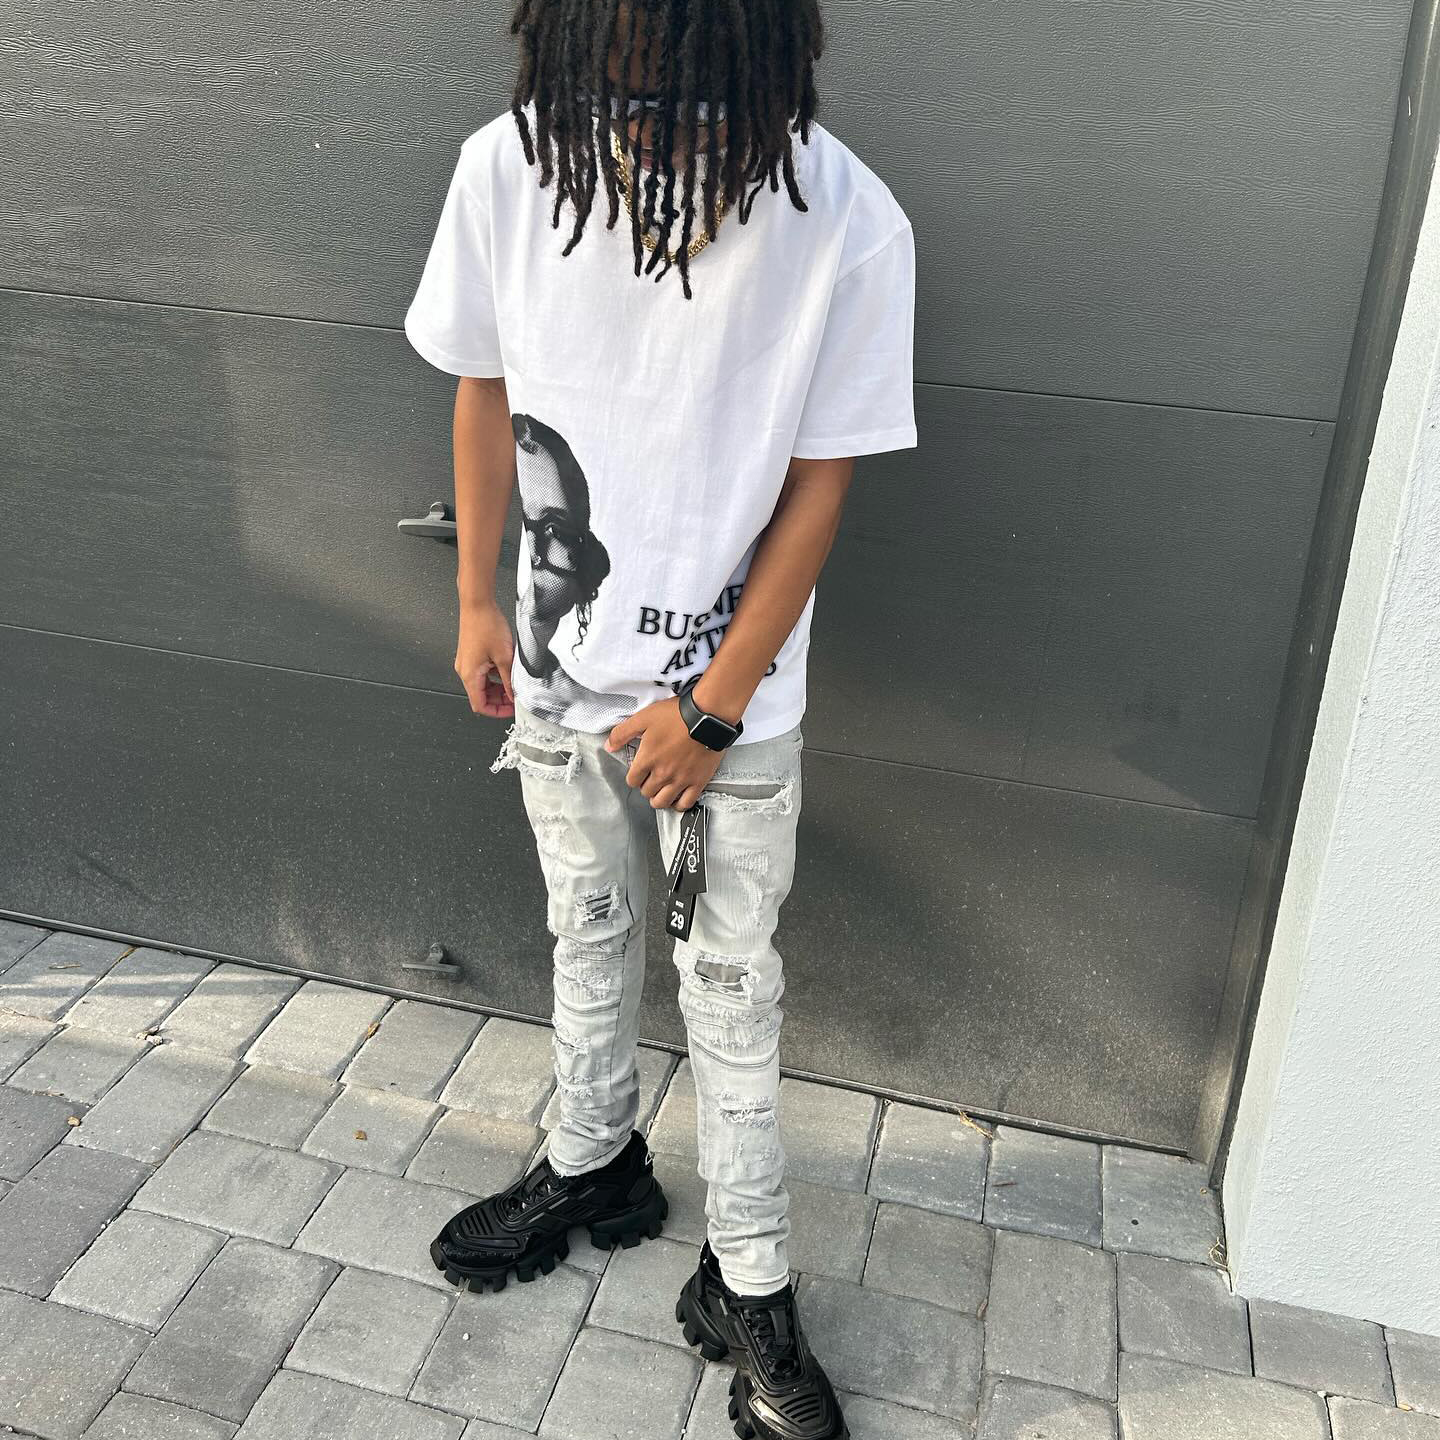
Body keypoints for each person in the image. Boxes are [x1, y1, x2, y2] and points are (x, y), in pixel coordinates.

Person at [403, 2, 917, 1436]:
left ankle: (749, 1281)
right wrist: (480, 602)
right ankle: (592, 1161)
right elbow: (486, 391)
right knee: (585, 925)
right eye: (620, 103)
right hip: (557, 675)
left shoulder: (845, 217)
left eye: (688, 108)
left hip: (725, 699)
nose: (651, 137)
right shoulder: (509, 168)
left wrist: (714, 704)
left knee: (731, 989)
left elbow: (822, 480)